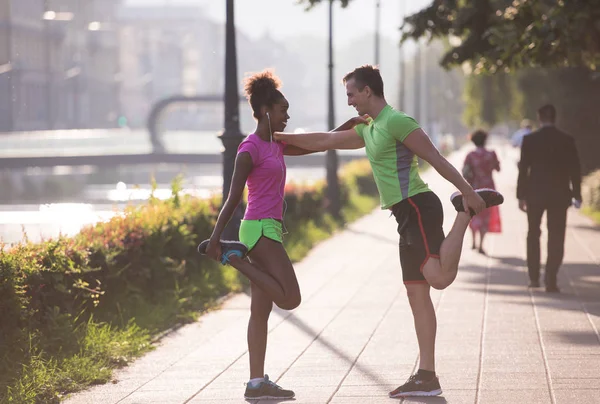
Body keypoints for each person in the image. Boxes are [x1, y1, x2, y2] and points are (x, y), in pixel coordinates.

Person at [274, 65, 504, 398]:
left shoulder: (397, 122)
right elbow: (324, 140)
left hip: (417, 206)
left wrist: (468, 190)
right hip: (403, 214)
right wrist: (274, 138)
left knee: (439, 278)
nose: (350, 100)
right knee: (416, 294)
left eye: (352, 93)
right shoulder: (369, 129)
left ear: (368, 91)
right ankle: (427, 376)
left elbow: (435, 158)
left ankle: (464, 213)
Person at [197, 69, 365, 400]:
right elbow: (233, 197)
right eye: (282, 110)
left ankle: (256, 384)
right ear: (264, 111)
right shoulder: (249, 148)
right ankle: (235, 257)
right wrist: (216, 240)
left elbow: (319, 143)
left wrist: (351, 124)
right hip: (258, 229)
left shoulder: (276, 144)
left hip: (266, 228)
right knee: (290, 298)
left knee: (259, 312)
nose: (287, 116)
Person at [517, 104, 582, 293]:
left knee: (533, 234)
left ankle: (534, 278)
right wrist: (576, 194)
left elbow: (523, 170)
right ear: (555, 117)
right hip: (560, 195)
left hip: (535, 193)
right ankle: (551, 279)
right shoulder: (566, 140)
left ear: (539, 118)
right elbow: (574, 169)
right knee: (556, 235)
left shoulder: (530, 140)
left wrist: (521, 196)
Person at [462, 129, 502, 255]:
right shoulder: (491, 154)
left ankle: (473, 241)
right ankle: (481, 244)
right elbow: (498, 168)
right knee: (486, 215)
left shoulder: (470, 155)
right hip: (489, 188)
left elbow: (464, 172)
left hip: (474, 188)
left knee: (473, 213)